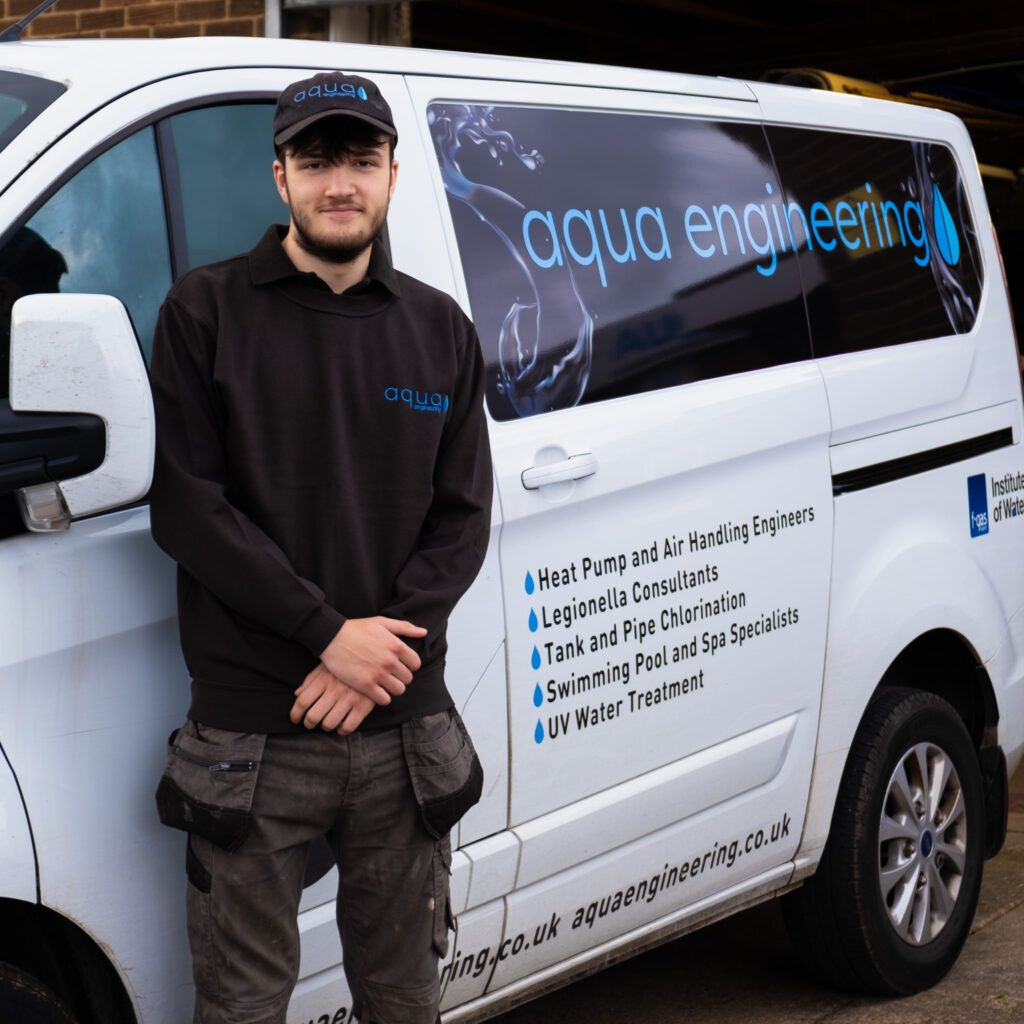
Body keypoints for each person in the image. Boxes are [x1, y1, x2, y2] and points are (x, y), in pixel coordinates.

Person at [148, 70, 493, 1024]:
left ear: (391, 173)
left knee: (402, 1001)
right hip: (254, 740)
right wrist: (326, 634)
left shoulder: (438, 331)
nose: (339, 182)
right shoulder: (203, 314)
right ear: (280, 178)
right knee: (243, 1006)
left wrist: (370, 658)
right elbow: (189, 510)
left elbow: (461, 520)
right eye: (316, 160)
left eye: (359, 159)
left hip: (402, 734)